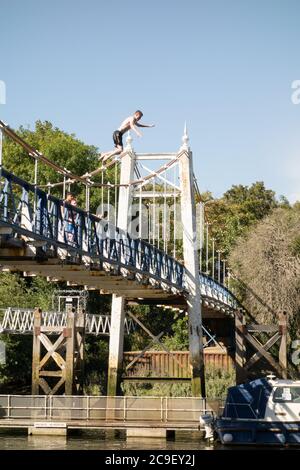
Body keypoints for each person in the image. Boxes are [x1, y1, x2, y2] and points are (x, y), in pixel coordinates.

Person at [82, 110, 154, 178]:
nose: (139, 119)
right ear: (136, 114)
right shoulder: (132, 118)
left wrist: (149, 126)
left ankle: (104, 154)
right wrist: (137, 132)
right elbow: (132, 126)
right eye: (139, 117)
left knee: (118, 151)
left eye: (140, 118)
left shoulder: (134, 120)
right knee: (120, 150)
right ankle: (107, 157)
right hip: (118, 133)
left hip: (118, 134)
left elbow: (139, 125)